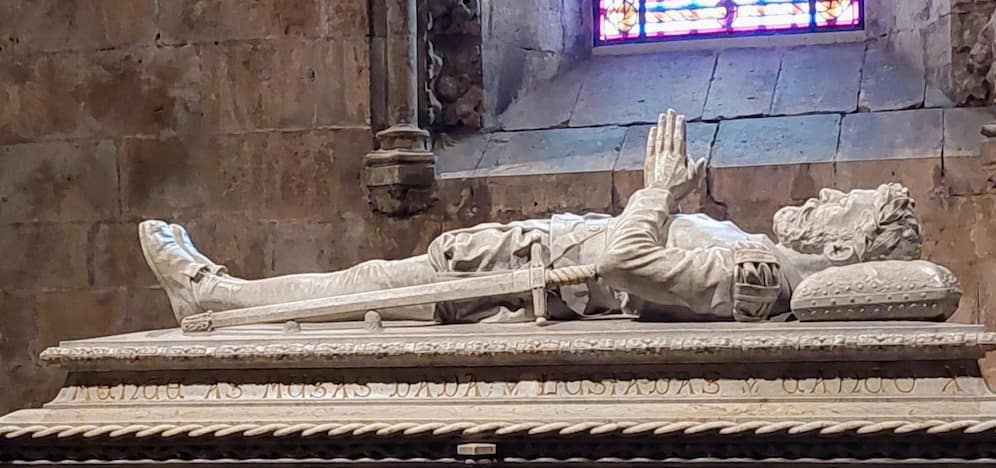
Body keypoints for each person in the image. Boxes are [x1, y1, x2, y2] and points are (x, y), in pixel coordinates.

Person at [140, 110, 923, 327]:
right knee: (373, 286)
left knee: (372, 287)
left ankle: (212, 297)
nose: (822, 198)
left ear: (845, 250)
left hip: (529, 278)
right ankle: (218, 297)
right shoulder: (756, 254)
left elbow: (625, 264)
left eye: (841, 207)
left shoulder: (759, 275)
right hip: (529, 258)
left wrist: (658, 191)